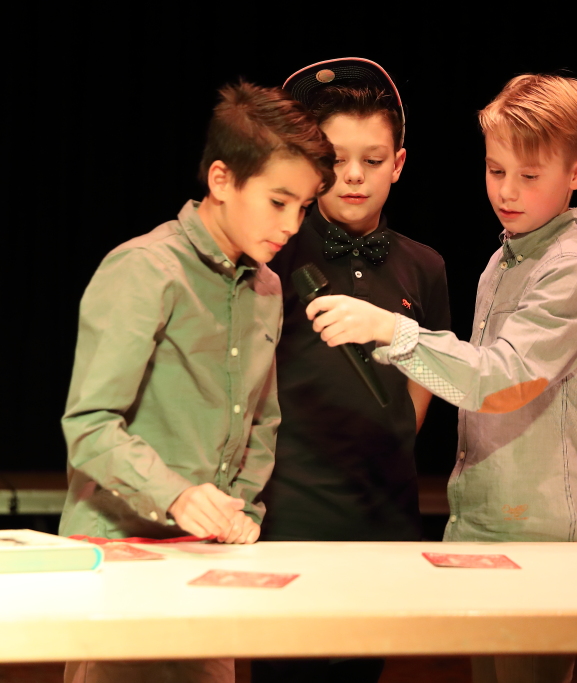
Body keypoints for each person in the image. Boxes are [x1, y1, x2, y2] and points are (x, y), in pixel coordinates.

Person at [306, 73, 577, 683]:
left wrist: (388, 329)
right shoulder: (504, 259)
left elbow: (500, 381)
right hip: (484, 517)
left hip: (543, 530)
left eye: (529, 176)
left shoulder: (574, 270)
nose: (507, 190)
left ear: (576, 173)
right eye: (495, 169)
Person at [58, 81, 335, 683]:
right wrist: (177, 495)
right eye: (278, 201)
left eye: (304, 207)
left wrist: (243, 507)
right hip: (121, 553)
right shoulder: (145, 270)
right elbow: (90, 426)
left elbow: (261, 418)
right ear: (221, 180)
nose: (292, 225)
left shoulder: (266, 287)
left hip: (207, 557)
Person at [252, 58, 451, 683]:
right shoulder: (277, 251)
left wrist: (391, 435)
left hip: (384, 509)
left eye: (373, 159)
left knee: (362, 668)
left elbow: (429, 370)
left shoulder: (425, 266)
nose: (355, 175)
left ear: (399, 163)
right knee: (285, 670)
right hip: (289, 509)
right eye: (337, 160)